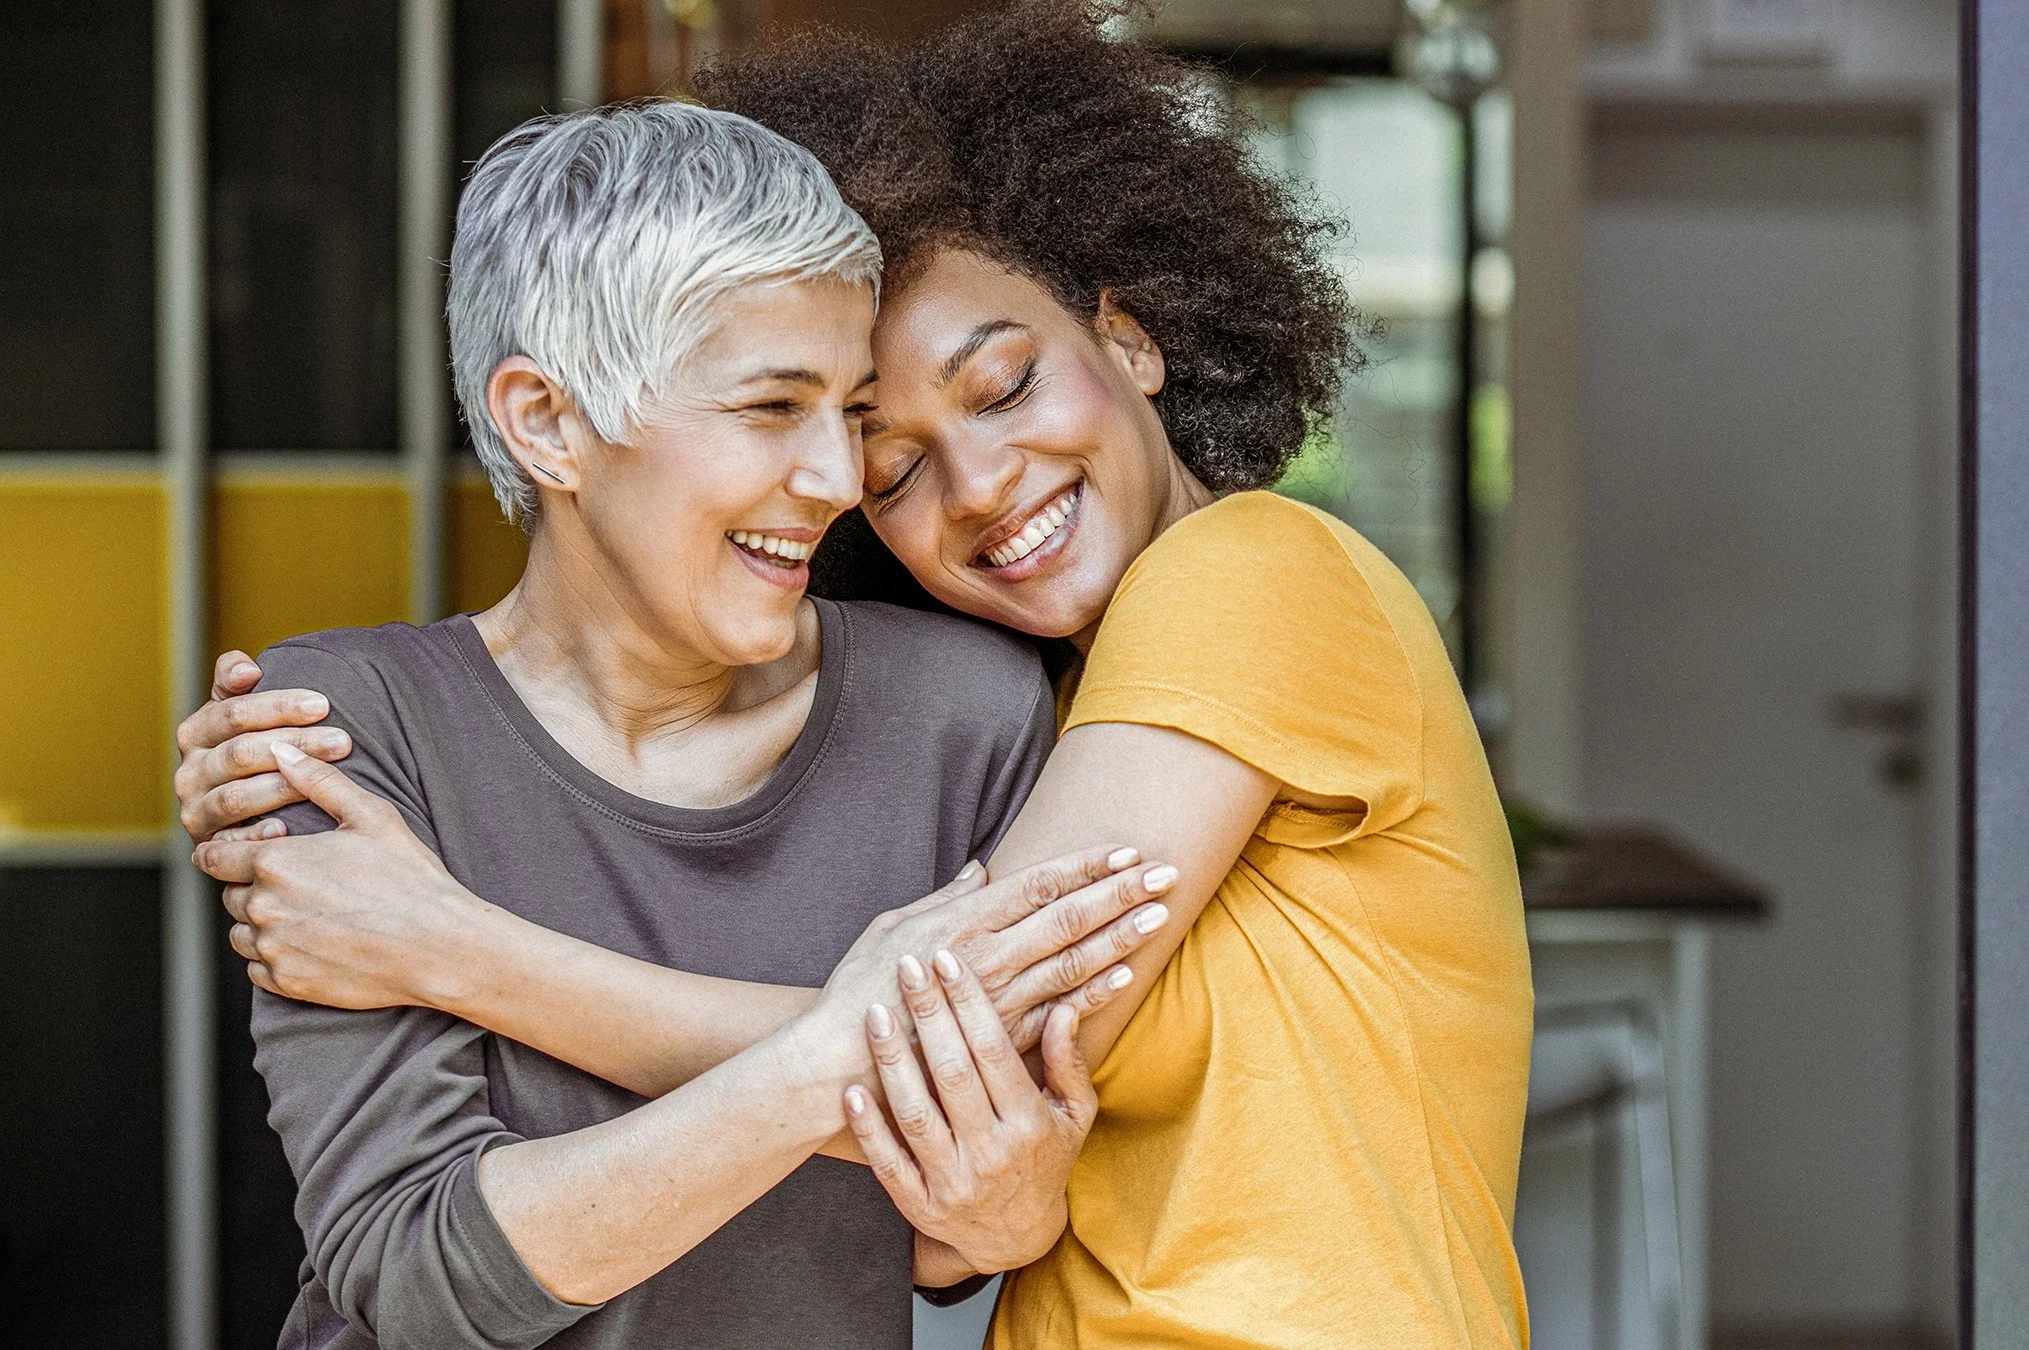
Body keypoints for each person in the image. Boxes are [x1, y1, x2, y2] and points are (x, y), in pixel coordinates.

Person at [180, 5, 1537, 1345]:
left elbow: (968, 1069)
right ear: (551, 423)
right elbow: (944, 1183)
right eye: (883, 458)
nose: (968, 481)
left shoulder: (1242, 572)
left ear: (1131, 337)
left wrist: (449, 946)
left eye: (1003, 386)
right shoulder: (1038, 700)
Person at [181, 100, 1184, 1350]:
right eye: (771, 408)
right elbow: (423, 1278)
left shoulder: (960, 713)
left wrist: (1004, 1207)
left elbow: (963, 1229)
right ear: (546, 423)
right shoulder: (343, 734)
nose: (836, 477)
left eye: (852, 410)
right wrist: (845, 1061)